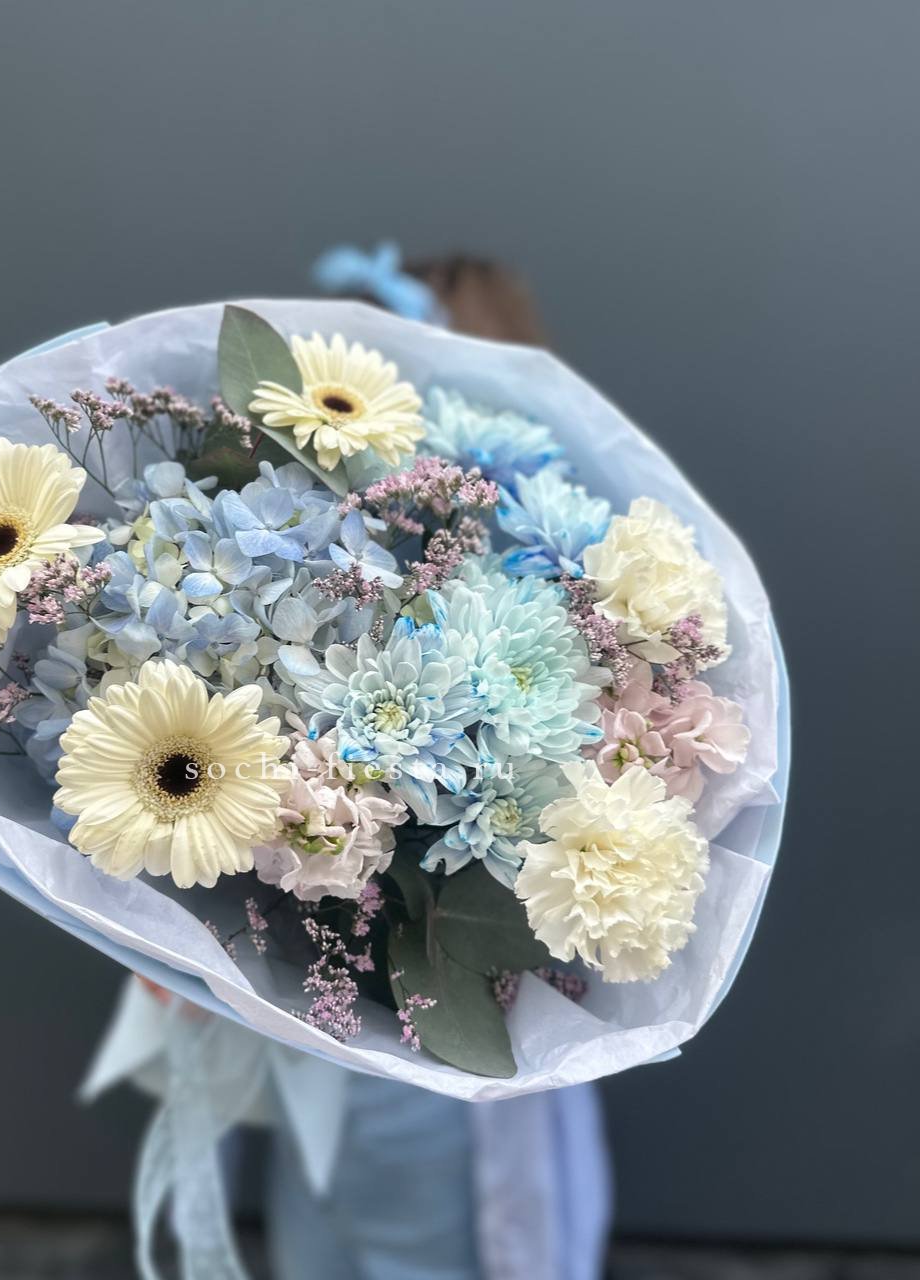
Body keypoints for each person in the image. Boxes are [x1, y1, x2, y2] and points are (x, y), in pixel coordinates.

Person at [85, 247, 612, 1280]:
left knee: (366, 1226)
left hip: (404, 1040)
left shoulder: (506, 577)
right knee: (358, 1226)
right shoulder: (376, 563)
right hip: (355, 1026)